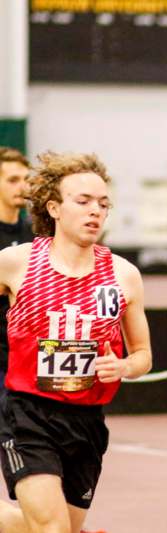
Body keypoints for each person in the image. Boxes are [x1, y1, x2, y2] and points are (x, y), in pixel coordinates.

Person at [0, 151, 152, 533]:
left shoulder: (123, 275)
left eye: (103, 204)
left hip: (86, 422)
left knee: (59, 528)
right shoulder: (16, 262)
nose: (95, 212)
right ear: (54, 207)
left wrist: (123, 366)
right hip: (27, 414)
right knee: (51, 528)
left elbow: (144, 355)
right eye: (82, 202)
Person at [0, 148, 34, 405]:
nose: (22, 187)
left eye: (26, 179)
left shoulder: (35, 235)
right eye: (12, 180)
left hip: (25, 356)